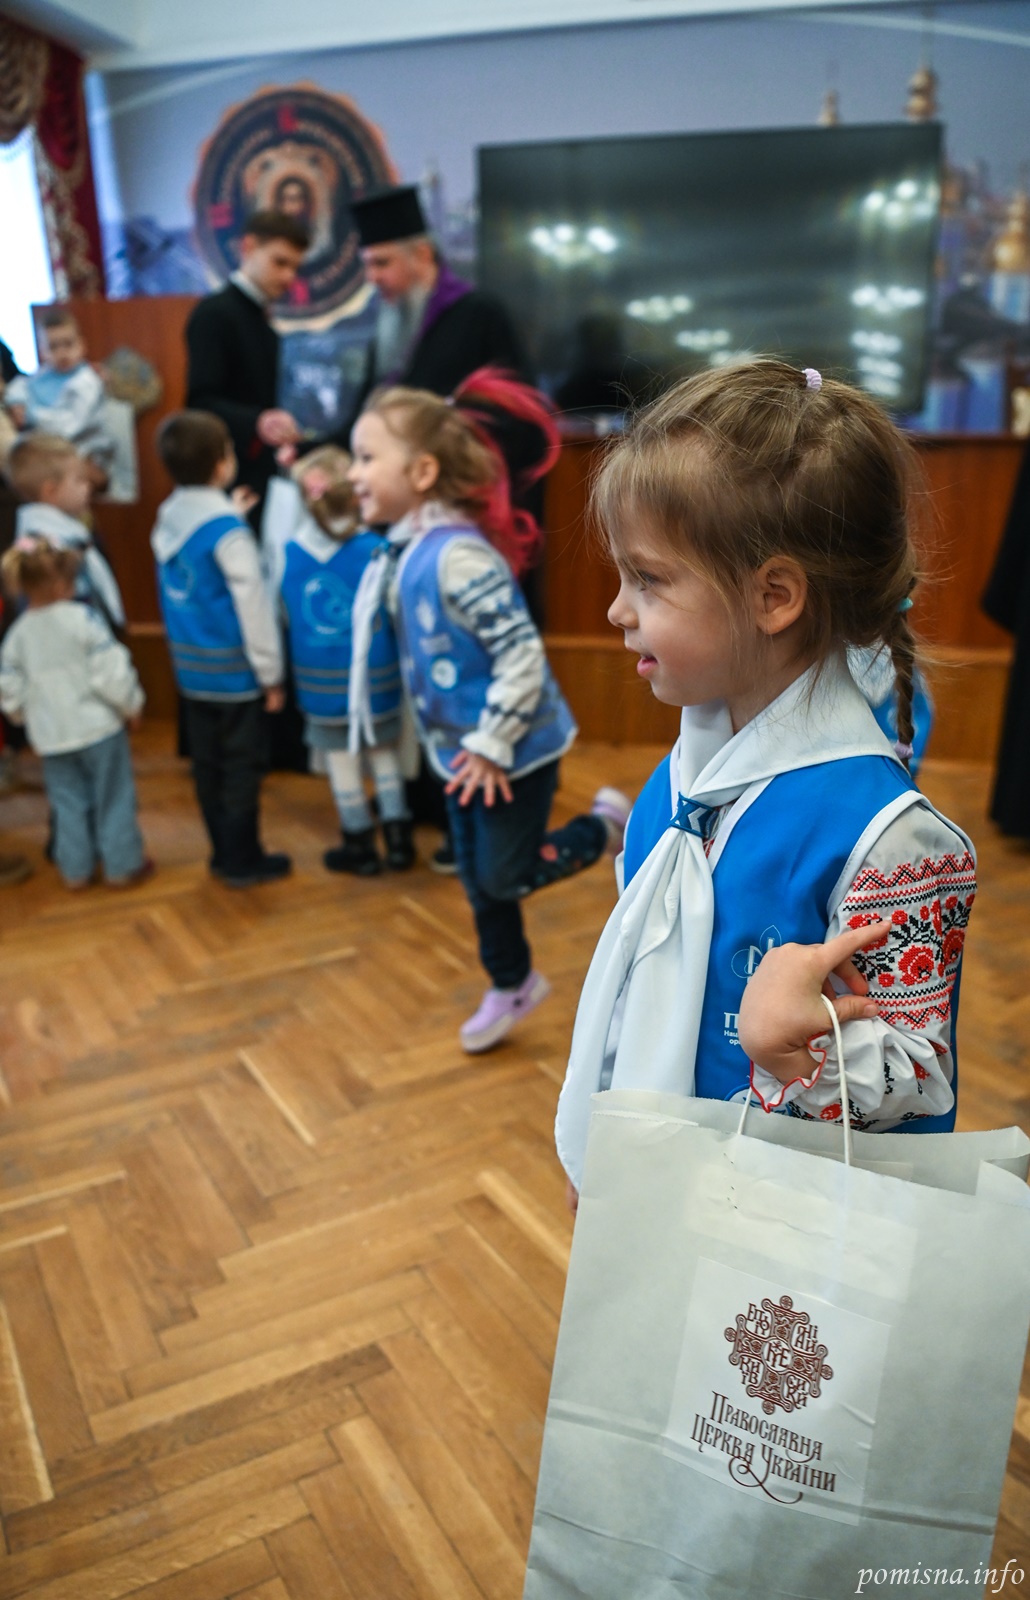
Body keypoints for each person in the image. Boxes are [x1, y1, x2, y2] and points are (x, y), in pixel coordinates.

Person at [555, 361, 977, 1202]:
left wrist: (799, 1048)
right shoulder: (678, 783)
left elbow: (920, 1075)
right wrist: (607, 1140)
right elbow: (639, 980)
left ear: (773, 596)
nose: (617, 610)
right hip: (661, 1192)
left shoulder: (892, 839)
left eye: (648, 579)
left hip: (784, 1221)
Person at [347, 368, 631, 1053]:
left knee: (503, 875)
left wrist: (492, 744)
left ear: (421, 472)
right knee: (479, 882)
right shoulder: (403, 550)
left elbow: (522, 654)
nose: (353, 473)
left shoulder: (459, 557)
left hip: (512, 751)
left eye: (365, 457)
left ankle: (603, 828)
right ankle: (512, 982)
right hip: (460, 753)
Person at [152, 410, 290, 888]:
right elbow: (253, 606)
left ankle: (221, 853)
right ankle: (243, 859)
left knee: (208, 767)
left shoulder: (169, 517)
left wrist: (230, 514)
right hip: (235, 675)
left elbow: (199, 555)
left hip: (190, 671)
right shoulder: (228, 533)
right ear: (221, 463)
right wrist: (271, 674)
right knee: (241, 770)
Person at [280, 446, 412, 874]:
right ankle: (399, 840)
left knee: (341, 761)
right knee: (385, 754)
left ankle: (359, 845)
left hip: (320, 680)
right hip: (378, 676)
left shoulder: (289, 552)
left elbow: (284, 613)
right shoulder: (378, 548)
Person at [0, 538, 150, 890]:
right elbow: (111, 673)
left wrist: (25, 716)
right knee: (114, 797)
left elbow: (8, 687)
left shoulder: (17, 636)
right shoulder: (84, 620)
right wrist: (132, 706)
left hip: (52, 738)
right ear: (59, 585)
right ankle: (121, 866)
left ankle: (76, 871)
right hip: (100, 731)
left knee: (67, 803)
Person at [185, 209, 308, 512]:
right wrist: (257, 422)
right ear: (248, 247)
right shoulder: (215, 314)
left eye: (294, 267)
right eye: (280, 262)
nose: (288, 277)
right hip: (230, 476)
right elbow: (200, 402)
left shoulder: (261, 318)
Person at [6, 434, 125, 632]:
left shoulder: (74, 535)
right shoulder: (45, 549)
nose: (88, 486)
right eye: (79, 480)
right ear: (50, 491)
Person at [6, 308, 114, 479]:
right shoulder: (43, 376)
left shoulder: (87, 381)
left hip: (83, 451)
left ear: (81, 345)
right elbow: (20, 385)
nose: (62, 353)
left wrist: (31, 414)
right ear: (42, 351)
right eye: (53, 347)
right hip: (50, 450)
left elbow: (69, 427)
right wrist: (17, 401)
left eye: (68, 344)